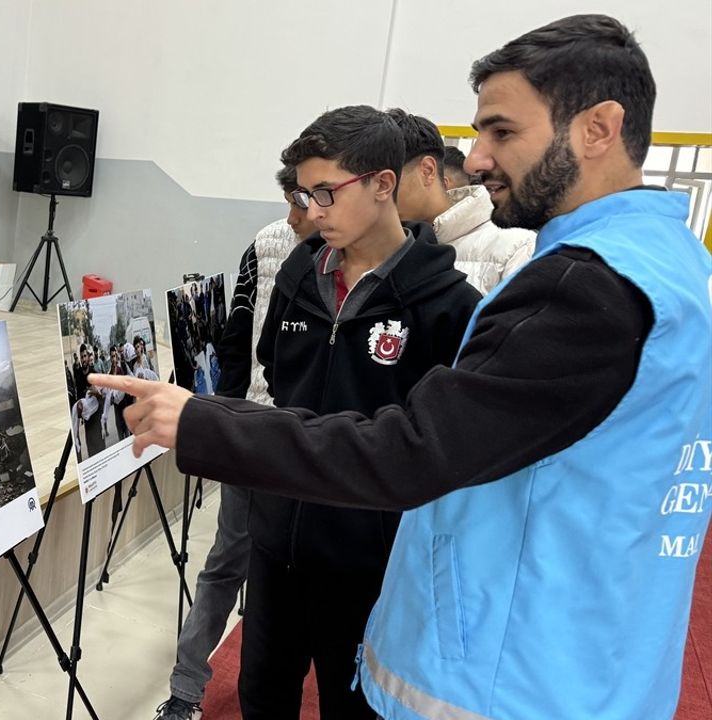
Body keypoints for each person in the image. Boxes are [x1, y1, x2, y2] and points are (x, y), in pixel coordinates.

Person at [94, 14, 711, 720]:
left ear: (598, 128)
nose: (474, 161)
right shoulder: (666, 263)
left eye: (502, 131)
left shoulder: (581, 287)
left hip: (515, 677)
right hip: (581, 656)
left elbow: (411, 449)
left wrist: (203, 421)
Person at [245, 105, 483, 720]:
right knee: (262, 690)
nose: (311, 209)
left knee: (353, 704)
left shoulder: (448, 304)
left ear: (384, 184)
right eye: (304, 192)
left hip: (369, 554)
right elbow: (276, 365)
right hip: (277, 537)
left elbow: (444, 435)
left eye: (327, 192)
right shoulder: (301, 271)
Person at [154, 159, 317, 720]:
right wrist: (226, 419)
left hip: (323, 450)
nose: (296, 217)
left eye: (307, 202)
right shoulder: (266, 244)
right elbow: (234, 337)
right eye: (292, 201)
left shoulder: (368, 256)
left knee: (303, 580)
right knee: (226, 561)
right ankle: (185, 691)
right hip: (255, 437)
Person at [387, 108, 534, 293]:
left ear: (427, 171)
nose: (379, 195)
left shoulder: (515, 247)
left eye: (387, 182)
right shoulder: (383, 244)